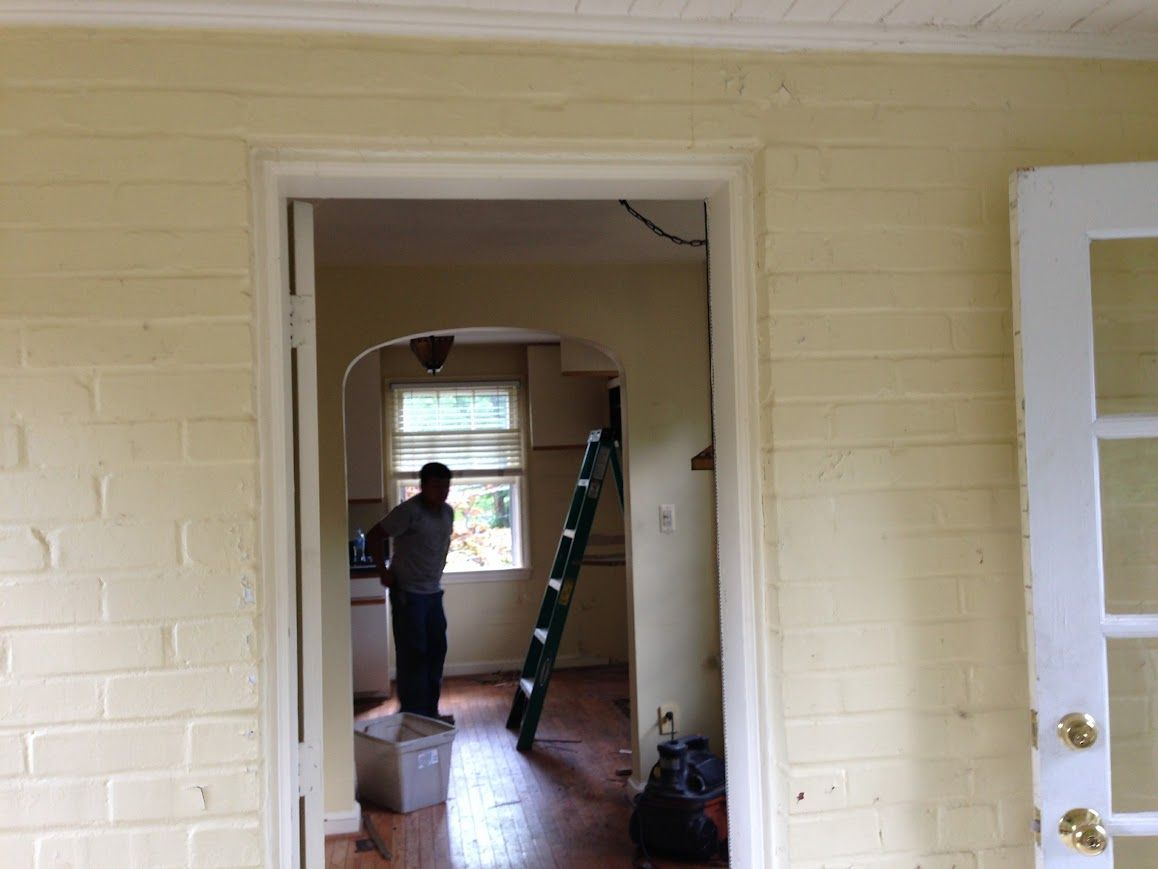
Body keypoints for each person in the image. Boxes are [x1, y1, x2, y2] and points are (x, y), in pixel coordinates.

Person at [366, 462, 455, 723]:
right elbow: (374, 535)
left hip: (432, 594)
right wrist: (382, 571)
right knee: (413, 654)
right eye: (436, 486)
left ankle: (430, 713)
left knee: (437, 650)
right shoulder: (409, 512)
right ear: (423, 486)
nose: (442, 491)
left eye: (446, 486)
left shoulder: (447, 513)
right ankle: (413, 717)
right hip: (408, 594)